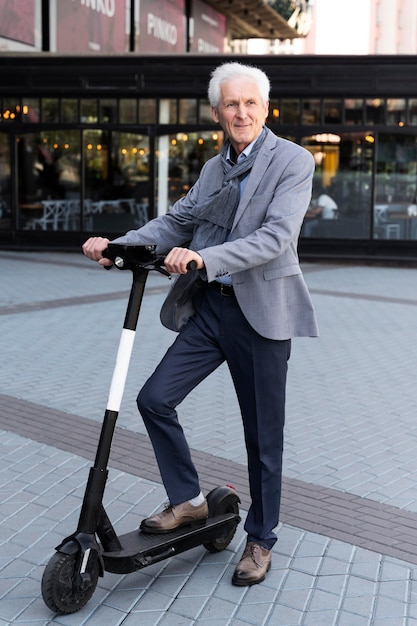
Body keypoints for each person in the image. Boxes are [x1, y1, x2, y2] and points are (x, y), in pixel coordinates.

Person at [82, 61, 318, 587]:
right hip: (212, 309)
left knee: (263, 437)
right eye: (231, 104)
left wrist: (203, 259)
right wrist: (119, 246)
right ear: (217, 113)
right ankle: (189, 499)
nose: (241, 112)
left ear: (265, 107)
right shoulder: (215, 169)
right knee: (154, 398)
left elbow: (276, 237)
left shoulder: (292, 162)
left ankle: (260, 538)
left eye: (250, 103)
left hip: (260, 315)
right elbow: (175, 222)